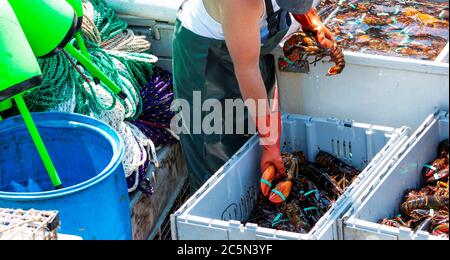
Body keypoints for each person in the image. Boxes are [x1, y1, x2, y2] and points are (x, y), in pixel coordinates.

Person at [172, 0, 336, 193]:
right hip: (207, 57)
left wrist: (309, 19)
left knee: (251, 134)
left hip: (251, 39)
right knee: (215, 158)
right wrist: (270, 143)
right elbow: (247, 70)